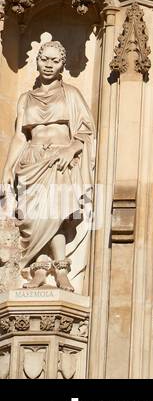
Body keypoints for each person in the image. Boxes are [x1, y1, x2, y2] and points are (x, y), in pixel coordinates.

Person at [1, 40, 95, 292]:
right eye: (45, 59)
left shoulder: (71, 94)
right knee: (34, 218)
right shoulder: (25, 98)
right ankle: (41, 269)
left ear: (62, 64)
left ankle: (59, 270)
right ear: (37, 61)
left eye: (55, 61)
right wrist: (8, 168)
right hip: (31, 162)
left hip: (59, 161)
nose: (49, 65)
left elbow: (86, 130)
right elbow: (21, 136)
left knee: (54, 213)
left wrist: (71, 148)